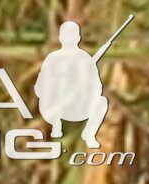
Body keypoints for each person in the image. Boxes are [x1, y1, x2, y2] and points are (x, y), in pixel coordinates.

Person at [35, 21, 111, 149]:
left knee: (102, 102)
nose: (69, 39)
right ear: (60, 38)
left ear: (78, 38)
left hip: (80, 106)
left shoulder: (85, 58)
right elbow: (40, 86)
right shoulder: (53, 58)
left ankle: (89, 134)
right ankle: (56, 126)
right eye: (66, 36)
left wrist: (84, 84)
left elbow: (97, 86)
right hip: (56, 108)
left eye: (73, 36)